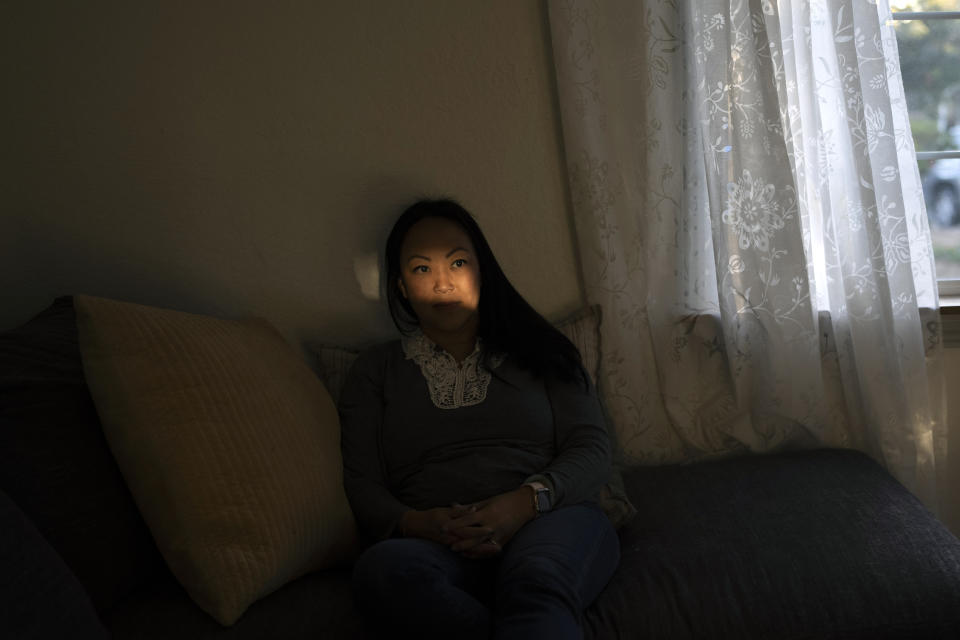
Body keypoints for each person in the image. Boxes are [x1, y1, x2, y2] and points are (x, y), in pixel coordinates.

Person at [338, 198, 620, 639]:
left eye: (457, 263)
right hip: (434, 543)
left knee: (536, 583)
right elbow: (361, 482)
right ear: (400, 287)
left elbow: (592, 448)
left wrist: (523, 503)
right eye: (421, 269)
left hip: (548, 522)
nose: (443, 283)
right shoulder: (375, 370)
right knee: (382, 573)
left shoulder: (543, 349)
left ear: (482, 269)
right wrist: (419, 523)